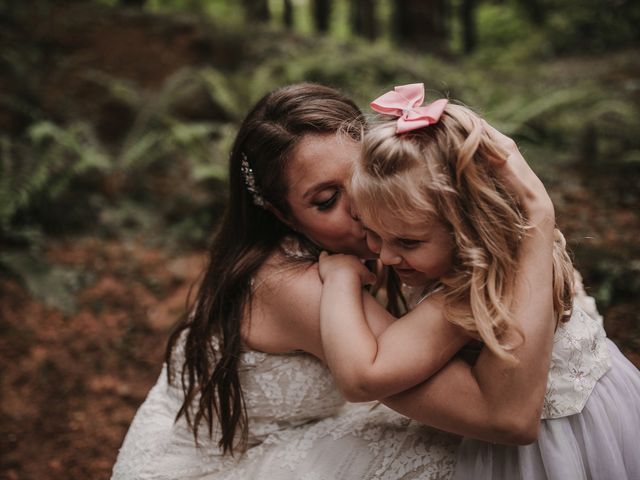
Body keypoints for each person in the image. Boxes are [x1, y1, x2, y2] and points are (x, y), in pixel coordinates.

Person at [112, 82, 597, 480]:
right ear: (283, 215)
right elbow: (504, 417)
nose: (362, 209)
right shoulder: (299, 285)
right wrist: (528, 232)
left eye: (362, 177)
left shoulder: (387, 228)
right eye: (325, 200)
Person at [317, 83, 640, 479]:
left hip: (554, 451)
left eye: (407, 241)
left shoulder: (469, 293)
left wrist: (338, 280)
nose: (383, 256)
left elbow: (363, 377)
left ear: (468, 227)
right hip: (612, 406)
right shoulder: (519, 255)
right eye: (372, 233)